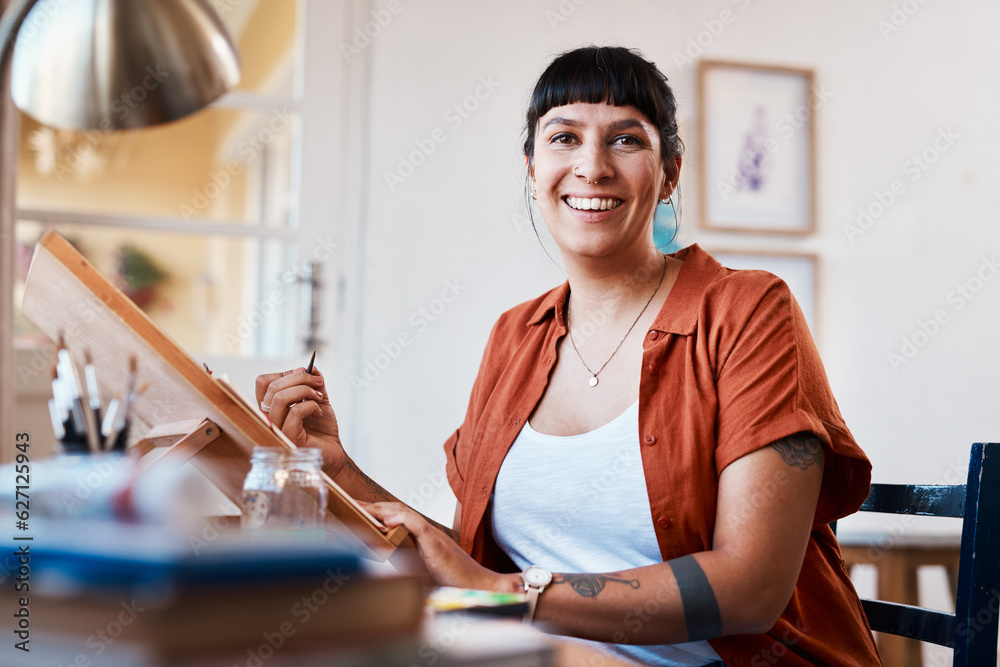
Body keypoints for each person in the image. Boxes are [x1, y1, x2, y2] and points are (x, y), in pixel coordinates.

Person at [256, 46, 882, 666]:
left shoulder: (746, 310)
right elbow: (474, 571)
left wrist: (502, 595)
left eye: (627, 141)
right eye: (563, 138)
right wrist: (336, 472)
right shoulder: (514, 336)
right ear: (532, 168)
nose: (593, 167)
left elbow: (750, 591)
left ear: (670, 173)